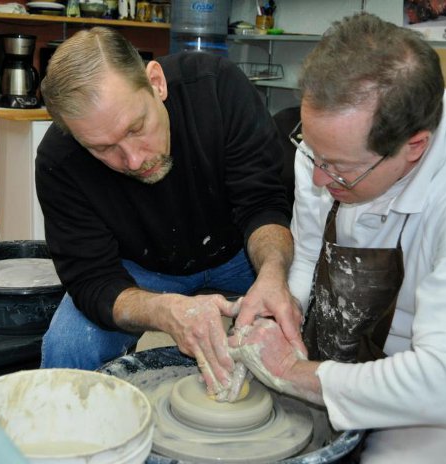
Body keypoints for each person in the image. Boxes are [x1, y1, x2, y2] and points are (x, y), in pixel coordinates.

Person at [228, 12, 446, 463]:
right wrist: (278, 316)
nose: (317, 179)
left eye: (339, 170)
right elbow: (308, 257)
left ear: (415, 147)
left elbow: (444, 381)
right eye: (313, 155)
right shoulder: (328, 153)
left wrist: (292, 371)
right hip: (340, 344)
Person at [35, 26, 304, 397]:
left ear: (156, 83)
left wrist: (272, 273)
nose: (133, 159)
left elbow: (264, 203)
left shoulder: (216, 87)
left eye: (136, 128)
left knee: (307, 318)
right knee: (68, 345)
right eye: (102, 149)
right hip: (143, 270)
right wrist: (165, 311)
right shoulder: (60, 160)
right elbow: (92, 280)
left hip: (243, 250)